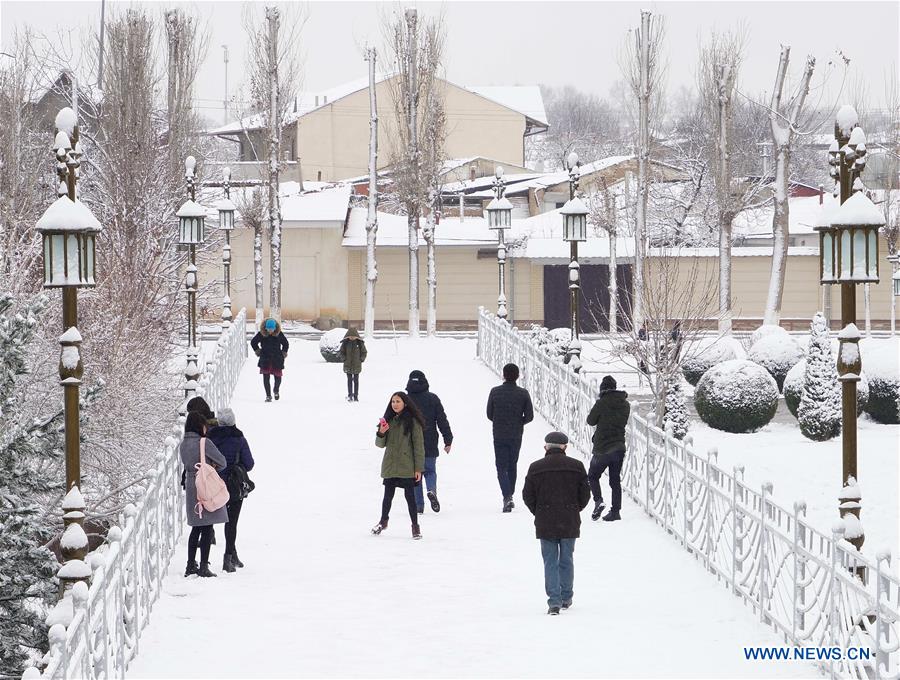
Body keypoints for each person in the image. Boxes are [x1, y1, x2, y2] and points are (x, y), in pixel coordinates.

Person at [522, 431, 590, 615]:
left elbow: (527, 495)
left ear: (546, 447)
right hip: (569, 518)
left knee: (550, 561)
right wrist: (574, 508)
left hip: (546, 519)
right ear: (565, 447)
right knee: (567, 559)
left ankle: (554, 601)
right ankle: (566, 597)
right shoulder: (576, 466)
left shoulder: (535, 467)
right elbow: (585, 494)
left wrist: (538, 510)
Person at [372, 392, 426, 539]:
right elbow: (379, 445)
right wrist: (381, 433)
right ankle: (383, 522)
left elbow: (419, 447)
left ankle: (415, 527)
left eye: (398, 401)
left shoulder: (413, 422)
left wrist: (418, 468)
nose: (395, 404)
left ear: (405, 403)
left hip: (407, 466)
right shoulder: (388, 420)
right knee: (387, 496)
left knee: (410, 497)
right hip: (390, 464)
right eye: (393, 401)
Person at [181, 411, 228, 578]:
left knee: (196, 527)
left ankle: (190, 565)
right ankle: (203, 566)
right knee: (207, 527)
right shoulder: (204, 442)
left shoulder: (183, 445)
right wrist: (211, 467)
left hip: (191, 485)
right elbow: (222, 461)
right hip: (204, 484)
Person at [208, 407, 255, 573]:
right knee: (232, 522)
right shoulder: (239, 438)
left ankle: (206, 557)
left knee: (209, 519)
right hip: (233, 485)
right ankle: (228, 558)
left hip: (213, 483)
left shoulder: (210, 438)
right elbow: (249, 463)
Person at [486, 362, 534, 513]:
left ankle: (507, 496)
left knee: (501, 466)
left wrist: (500, 420)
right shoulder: (523, 393)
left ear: (504, 375)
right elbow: (530, 416)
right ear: (518, 376)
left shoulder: (495, 392)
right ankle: (510, 494)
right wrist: (519, 422)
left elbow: (489, 414)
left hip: (499, 433)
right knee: (512, 464)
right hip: (516, 434)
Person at [406, 370, 453, 514]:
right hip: (430, 439)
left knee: (415, 474)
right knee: (430, 470)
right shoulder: (433, 399)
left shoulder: (406, 400)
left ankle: (419, 506)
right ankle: (431, 490)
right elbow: (442, 420)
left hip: (411, 442)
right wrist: (448, 439)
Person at [586, 375, 631, 522]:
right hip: (619, 447)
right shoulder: (625, 404)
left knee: (593, 476)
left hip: (602, 448)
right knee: (615, 480)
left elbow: (591, 421)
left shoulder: (602, 403)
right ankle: (615, 511)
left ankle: (598, 500)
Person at [250, 318, 289, 402]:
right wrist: (258, 351)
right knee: (266, 378)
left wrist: (283, 353)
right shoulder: (261, 334)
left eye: (272, 329)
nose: (270, 331)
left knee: (278, 377)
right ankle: (268, 396)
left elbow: (285, 344)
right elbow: (253, 342)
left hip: (277, 359)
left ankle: (276, 390)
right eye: (268, 329)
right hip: (265, 359)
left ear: (275, 328)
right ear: (265, 328)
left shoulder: (279, 334)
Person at [338, 327, 367, 401]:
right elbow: (341, 352)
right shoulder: (345, 343)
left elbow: (364, 352)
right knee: (349, 380)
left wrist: (361, 359)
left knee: (356, 381)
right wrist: (344, 359)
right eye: (350, 336)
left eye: (353, 336)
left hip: (357, 365)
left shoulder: (359, 343)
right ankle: (350, 395)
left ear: (356, 336)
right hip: (348, 365)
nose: (352, 338)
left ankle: (356, 396)